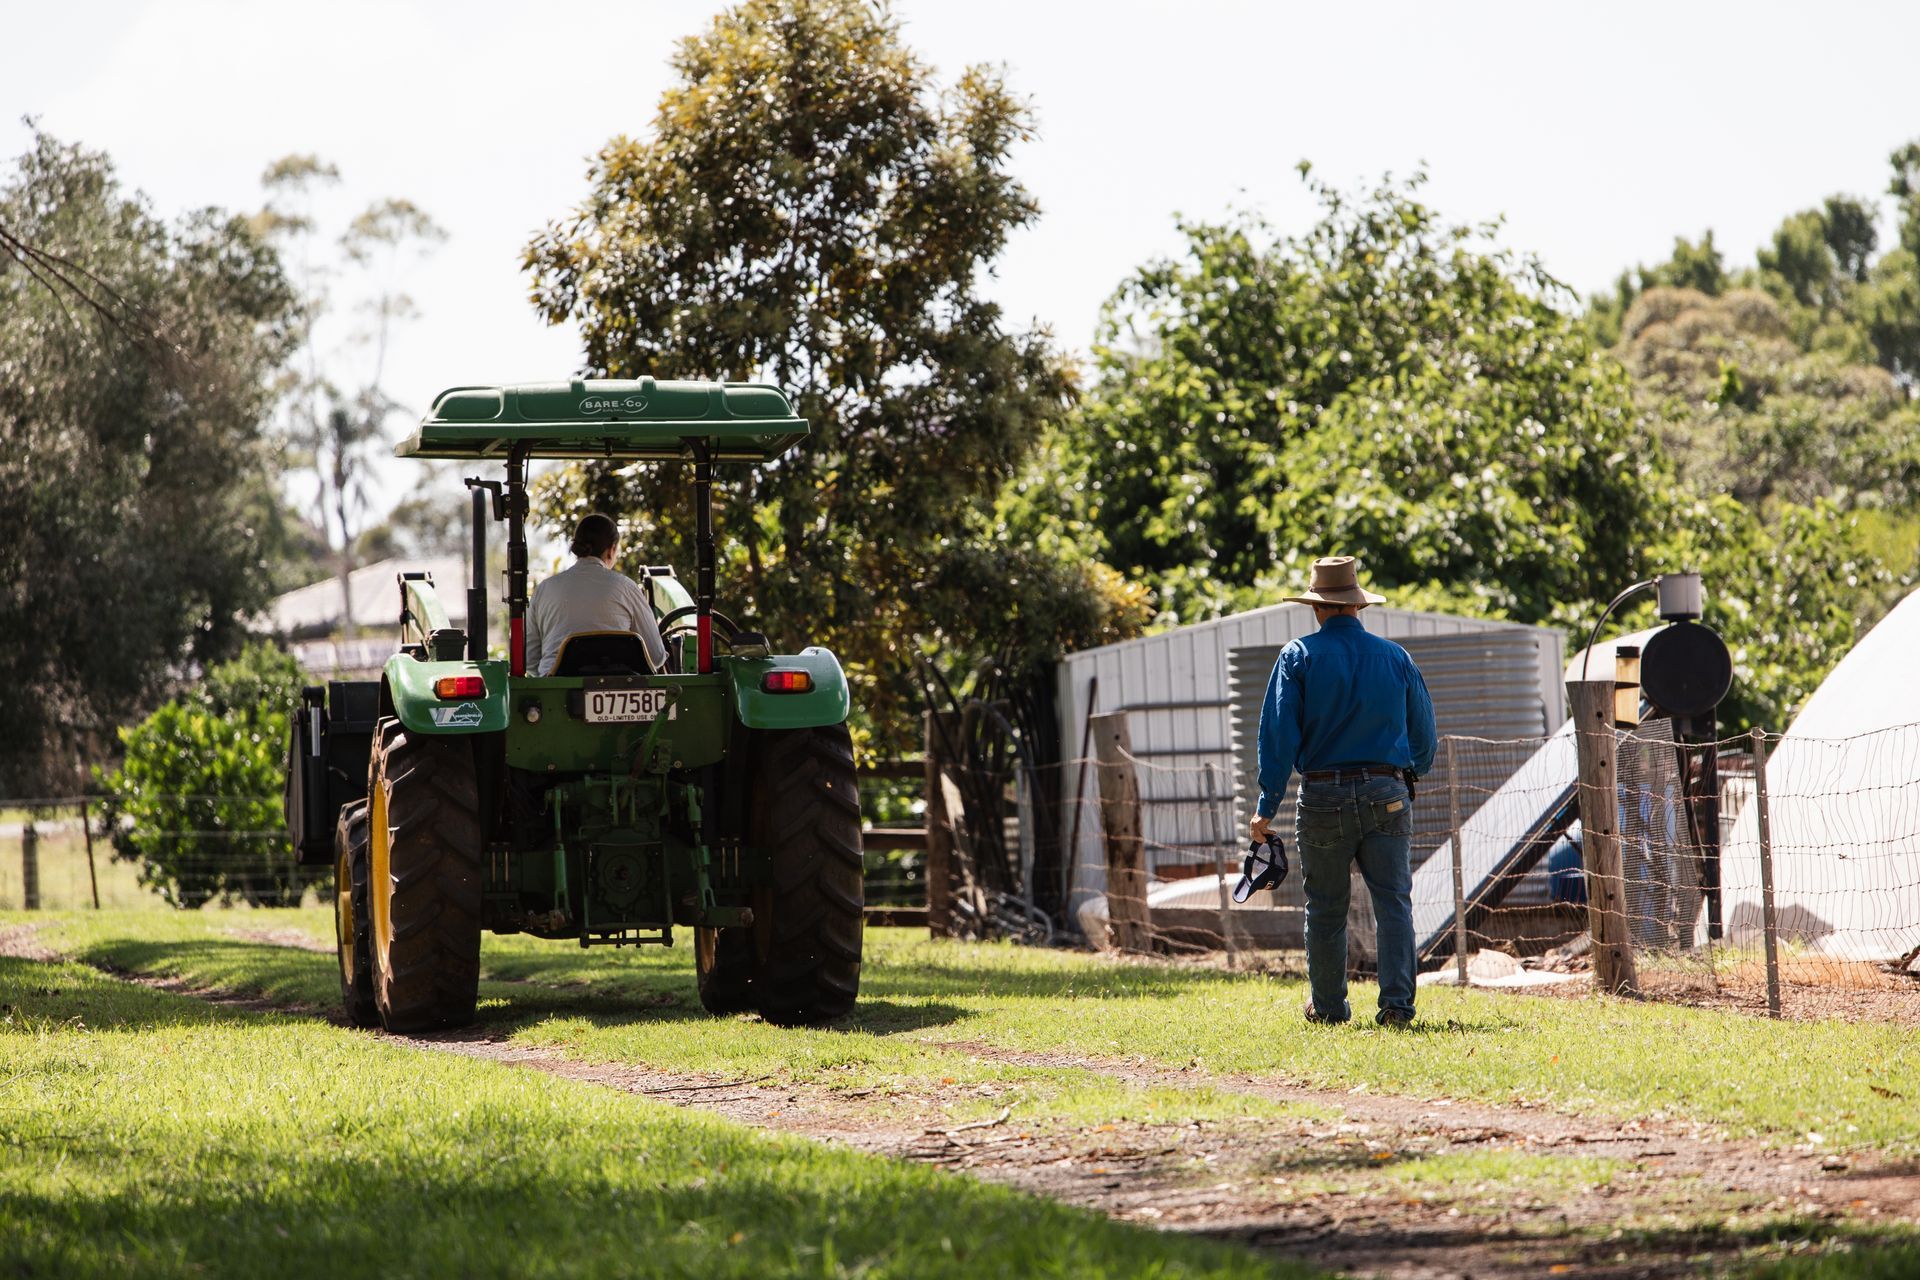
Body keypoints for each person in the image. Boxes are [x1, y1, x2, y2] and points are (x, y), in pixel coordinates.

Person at [1250, 555, 1436, 1027]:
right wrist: (1409, 771)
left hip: (1323, 796)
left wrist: (1266, 806)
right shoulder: (1396, 657)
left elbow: (1278, 736)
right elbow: (1425, 738)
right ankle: (1396, 1007)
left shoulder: (1297, 656)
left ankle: (1330, 1008)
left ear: (1316, 608)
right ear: (1358, 606)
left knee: (1325, 906)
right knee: (1392, 902)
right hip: (1386, 792)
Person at [524, 514, 668, 676]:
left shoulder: (544, 589)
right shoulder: (626, 587)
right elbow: (656, 657)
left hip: (557, 688)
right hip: (622, 690)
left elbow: (529, 660)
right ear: (611, 550)